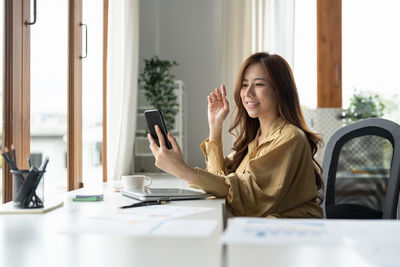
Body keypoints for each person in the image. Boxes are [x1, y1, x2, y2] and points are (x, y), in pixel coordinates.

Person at [148, 52, 323, 218]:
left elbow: (249, 197)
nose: (248, 93)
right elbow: (219, 181)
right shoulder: (256, 139)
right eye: (245, 85)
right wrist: (215, 126)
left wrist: (182, 170)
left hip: (284, 234)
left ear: (280, 90)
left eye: (259, 84)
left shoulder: (290, 137)